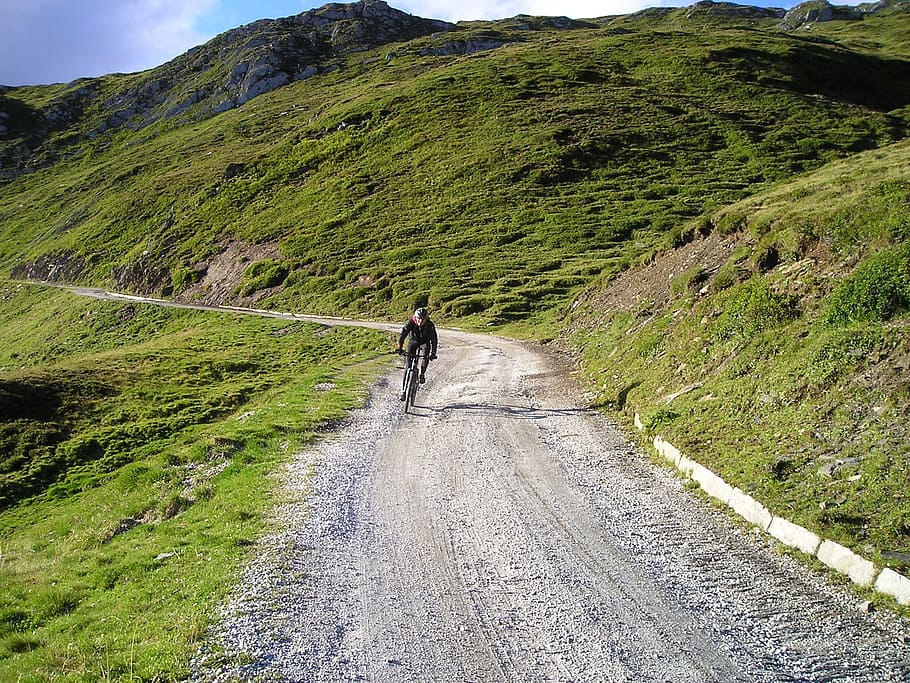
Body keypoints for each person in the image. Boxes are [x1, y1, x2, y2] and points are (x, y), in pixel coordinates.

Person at [397, 307, 438, 400]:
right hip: (413, 342)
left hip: (425, 342)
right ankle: (403, 391)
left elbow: (434, 340)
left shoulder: (430, 325)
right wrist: (400, 348)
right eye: (419, 319)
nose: (420, 321)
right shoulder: (411, 322)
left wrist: (433, 352)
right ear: (416, 317)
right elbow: (402, 335)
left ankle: (422, 374)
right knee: (408, 367)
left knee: (425, 357)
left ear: (426, 319)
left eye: (422, 319)